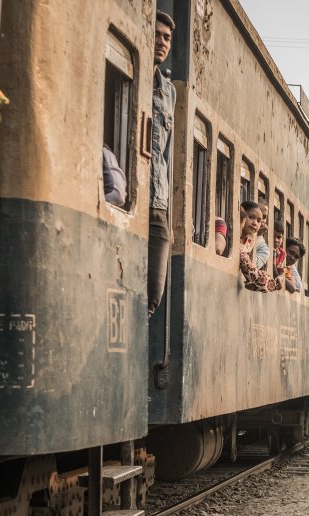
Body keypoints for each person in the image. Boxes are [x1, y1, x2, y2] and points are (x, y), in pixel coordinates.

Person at [147, 10, 177, 316]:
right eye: (156, 34)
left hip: (158, 201)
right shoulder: (134, 71)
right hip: (132, 194)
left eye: (166, 37)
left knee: (153, 294)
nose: (161, 42)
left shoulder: (169, 92)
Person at [237, 201, 275, 292]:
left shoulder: (252, 238)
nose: (255, 223)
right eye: (251, 217)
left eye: (259, 221)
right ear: (242, 217)